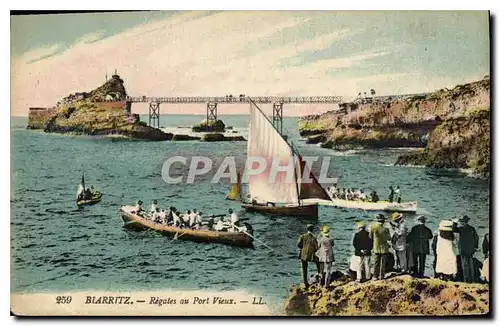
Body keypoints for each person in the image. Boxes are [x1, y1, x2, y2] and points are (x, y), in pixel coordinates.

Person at [452, 215, 479, 283]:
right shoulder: (472, 228)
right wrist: (475, 247)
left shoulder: (461, 229)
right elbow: (476, 238)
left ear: (463, 222)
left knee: (465, 266)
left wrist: (454, 222)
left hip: (463, 250)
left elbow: (454, 229)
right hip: (471, 250)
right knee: (471, 266)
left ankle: (466, 280)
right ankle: (473, 280)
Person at [369, 214, 391, 280]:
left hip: (376, 248)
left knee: (376, 263)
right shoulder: (386, 229)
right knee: (383, 263)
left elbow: (370, 237)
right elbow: (389, 238)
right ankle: (382, 276)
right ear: (383, 221)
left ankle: (375, 276)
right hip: (384, 248)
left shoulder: (373, 228)